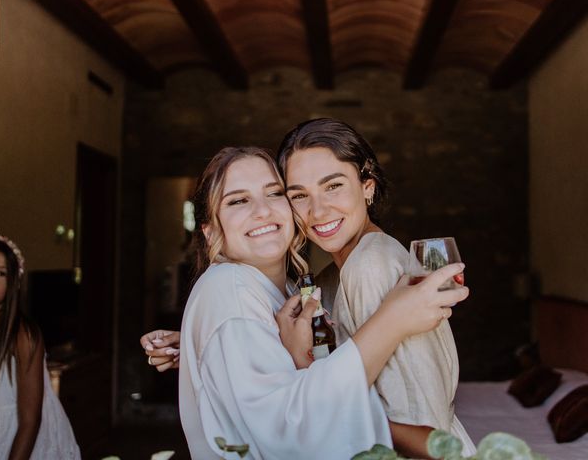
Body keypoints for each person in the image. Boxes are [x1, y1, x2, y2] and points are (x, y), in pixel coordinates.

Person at [174, 147, 467, 459]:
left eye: (274, 193)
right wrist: (394, 319)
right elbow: (292, 435)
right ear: (208, 230)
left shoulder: (289, 290)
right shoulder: (229, 290)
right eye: (238, 200)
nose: (262, 211)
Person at [276, 118, 477, 457]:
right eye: (299, 195)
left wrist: (325, 401)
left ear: (367, 186)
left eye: (333, 186)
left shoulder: (371, 264)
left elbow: (427, 430)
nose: (318, 210)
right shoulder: (330, 276)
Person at [0, 235, 81, 460]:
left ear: (13, 280)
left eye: (0, 273)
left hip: (20, 442)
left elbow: (30, 420)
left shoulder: (22, 334)